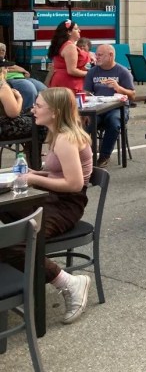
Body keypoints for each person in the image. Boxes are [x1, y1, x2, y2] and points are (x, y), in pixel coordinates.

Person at [0, 88, 93, 323]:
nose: (33, 109)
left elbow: (74, 184)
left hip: (66, 205)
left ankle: (69, 283)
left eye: (38, 106)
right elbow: (57, 173)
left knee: (12, 242)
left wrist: (34, 179)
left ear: (55, 112)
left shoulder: (65, 139)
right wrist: (35, 173)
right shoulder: (57, 134)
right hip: (54, 198)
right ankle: (15, 281)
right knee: (5, 218)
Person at [83, 44, 135, 168]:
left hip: (118, 108)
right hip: (98, 107)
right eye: (96, 54)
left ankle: (104, 156)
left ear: (110, 55)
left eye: (100, 55)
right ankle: (84, 155)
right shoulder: (93, 71)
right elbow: (87, 92)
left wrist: (118, 88)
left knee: (113, 122)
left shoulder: (122, 71)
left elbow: (132, 95)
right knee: (84, 124)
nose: (96, 57)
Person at [0, 41, 46, 111]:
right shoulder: (3, 64)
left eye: (3, 50)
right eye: (0, 50)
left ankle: (46, 110)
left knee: (42, 88)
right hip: (9, 79)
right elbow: (9, 68)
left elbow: (15, 67)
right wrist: (18, 69)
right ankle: (28, 112)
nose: (2, 52)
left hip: (22, 77)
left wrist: (22, 70)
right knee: (28, 87)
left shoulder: (4, 61)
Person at [48, 19, 88, 94]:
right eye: (76, 29)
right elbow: (72, 70)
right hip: (69, 84)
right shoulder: (70, 46)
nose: (79, 31)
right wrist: (89, 74)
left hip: (61, 82)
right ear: (69, 32)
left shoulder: (62, 45)